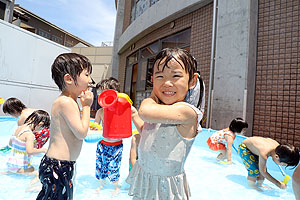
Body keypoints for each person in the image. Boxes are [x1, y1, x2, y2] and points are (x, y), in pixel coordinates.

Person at [126, 47, 205, 200]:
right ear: (152, 79)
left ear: (192, 81)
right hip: (146, 177)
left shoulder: (186, 112)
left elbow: (145, 111)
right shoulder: (162, 111)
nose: (167, 83)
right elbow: (148, 133)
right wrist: (134, 115)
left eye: (176, 76)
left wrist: (151, 96)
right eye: (160, 76)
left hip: (166, 188)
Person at [36, 53, 94, 200]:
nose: (90, 80)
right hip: (59, 165)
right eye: (86, 75)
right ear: (69, 79)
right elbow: (81, 133)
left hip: (58, 164)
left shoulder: (67, 101)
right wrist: (87, 106)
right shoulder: (66, 102)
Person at [93, 77, 143, 195]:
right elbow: (95, 127)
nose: (102, 98)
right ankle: (101, 184)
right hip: (102, 144)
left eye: (104, 94)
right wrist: (93, 127)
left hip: (116, 145)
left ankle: (116, 186)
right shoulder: (101, 112)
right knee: (100, 165)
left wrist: (132, 110)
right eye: (99, 95)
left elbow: (140, 125)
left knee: (114, 166)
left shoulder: (124, 110)